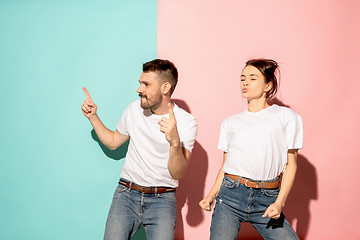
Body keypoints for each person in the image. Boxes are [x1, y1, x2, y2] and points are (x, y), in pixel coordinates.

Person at [82, 59, 197, 240]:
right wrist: (93, 117)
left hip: (163, 200)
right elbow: (113, 142)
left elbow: (177, 173)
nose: (139, 89)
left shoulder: (186, 122)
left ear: (165, 88)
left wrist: (175, 142)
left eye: (146, 84)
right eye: (140, 83)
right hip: (126, 195)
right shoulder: (134, 110)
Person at [199, 58, 303, 240]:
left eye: (253, 78)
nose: (245, 82)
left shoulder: (287, 117)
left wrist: (279, 203)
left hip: (267, 197)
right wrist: (211, 196)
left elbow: (291, 165)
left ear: (268, 85)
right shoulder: (230, 122)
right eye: (242, 78)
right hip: (230, 195)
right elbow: (225, 166)